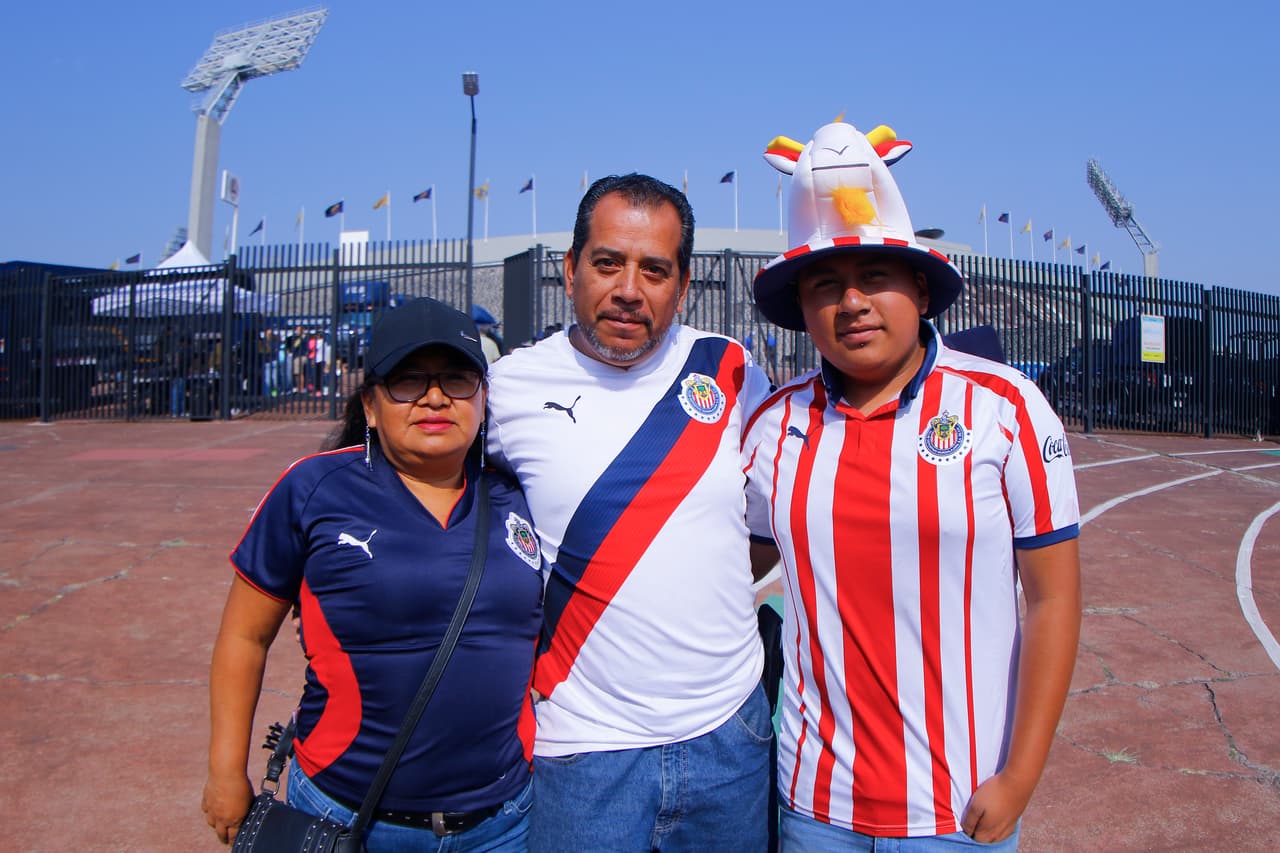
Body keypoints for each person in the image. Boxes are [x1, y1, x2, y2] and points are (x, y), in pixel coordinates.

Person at [744, 121, 1082, 850]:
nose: (853, 302)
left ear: (921, 290)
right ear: (802, 309)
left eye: (875, 278)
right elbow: (725, 563)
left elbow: (1054, 598)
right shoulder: (772, 424)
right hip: (814, 806)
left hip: (957, 811)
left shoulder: (1004, 407)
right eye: (825, 285)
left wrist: (1020, 776)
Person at [485, 173, 778, 851]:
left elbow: (759, 533)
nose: (628, 289)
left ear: (681, 284)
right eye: (608, 262)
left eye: (654, 270)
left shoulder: (731, 369)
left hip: (728, 734)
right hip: (582, 747)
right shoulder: (508, 390)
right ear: (570, 268)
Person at [202, 297, 543, 851]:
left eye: (457, 379)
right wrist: (224, 771)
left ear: (483, 397)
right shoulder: (313, 489)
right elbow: (245, 635)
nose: (435, 397)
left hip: (502, 823)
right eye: (408, 381)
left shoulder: (517, 493)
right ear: (370, 403)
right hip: (347, 819)